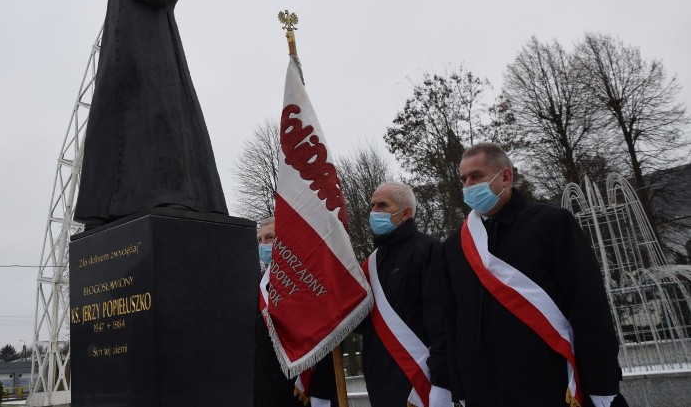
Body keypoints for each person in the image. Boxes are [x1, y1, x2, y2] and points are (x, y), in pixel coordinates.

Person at [55, 0, 228, 228]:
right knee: (112, 132)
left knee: (159, 124)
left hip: (154, 60)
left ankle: (168, 194)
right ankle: (110, 209)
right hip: (119, 70)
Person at [443, 142, 625, 407]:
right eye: (464, 179)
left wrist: (602, 384)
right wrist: (459, 387)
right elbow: (453, 321)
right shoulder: (455, 246)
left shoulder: (552, 223)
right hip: (482, 391)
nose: (468, 185)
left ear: (505, 177)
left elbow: (588, 306)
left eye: (477, 176)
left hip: (546, 386)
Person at [359, 182, 450, 406]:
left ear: (406, 212)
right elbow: (362, 325)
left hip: (419, 380)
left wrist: (441, 381)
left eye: (382, 205)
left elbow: (442, 320)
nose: (374, 212)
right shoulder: (370, 263)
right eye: (372, 206)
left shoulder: (428, 250)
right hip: (379, 380)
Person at [255, 218, 337, 407]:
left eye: (270, 238)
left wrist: (322, 393)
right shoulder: (260, 285)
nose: (263, 245)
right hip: (269, 392)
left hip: (304, 389)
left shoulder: (312, 282)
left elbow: (328, 342)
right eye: (260, 240)